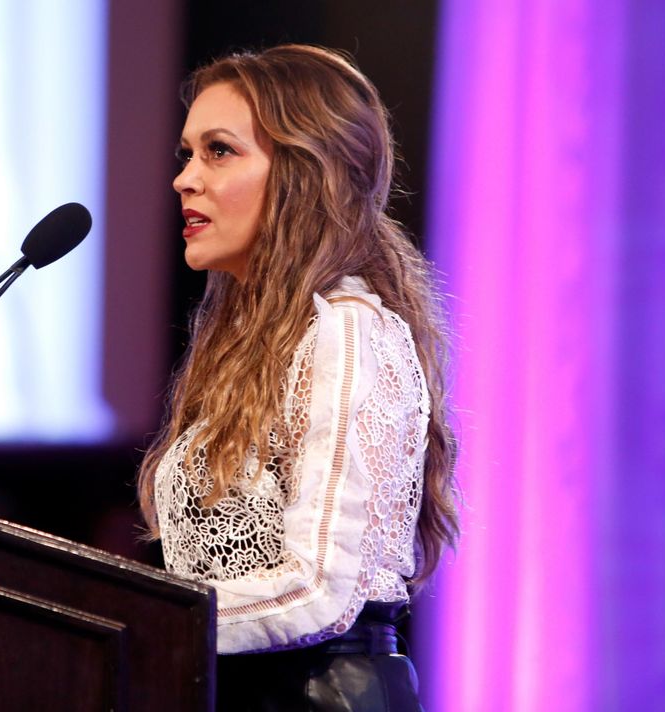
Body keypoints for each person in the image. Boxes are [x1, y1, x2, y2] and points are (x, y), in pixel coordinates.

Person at [137, 44, 459, 711]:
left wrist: (139, 619)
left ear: (300, 172)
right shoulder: (236, 334)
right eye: (187, 154)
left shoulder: (346, 331)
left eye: (218, 151)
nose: (185, 179)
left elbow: (322, 589)